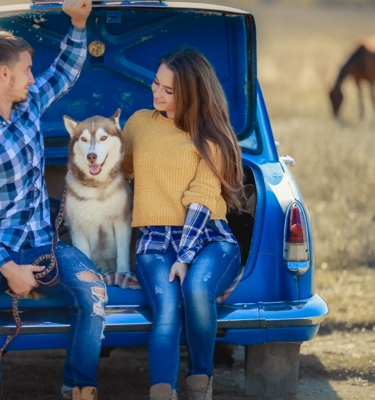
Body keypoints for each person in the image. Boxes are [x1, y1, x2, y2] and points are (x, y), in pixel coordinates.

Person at [0, 1, 106, 399]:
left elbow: (64, 72)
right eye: (26, 71)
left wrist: (79, 21)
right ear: (4, 74)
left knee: (95, 292)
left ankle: (79, 388)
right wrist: (9, 268)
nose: (33, 80)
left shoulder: (28, 104)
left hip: (39, 240)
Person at [121, 48, 245, 400]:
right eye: (156, 83)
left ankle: (200, 381)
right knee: (167, 307)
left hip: (209, 238)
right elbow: (121, 170)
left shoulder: (211, 138)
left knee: (196, 291)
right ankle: (162, 392)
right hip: (155, 242)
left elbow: (203, 198)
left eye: (168, 90)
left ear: (190, 94)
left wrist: (187, 256)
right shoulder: (139, 124)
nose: (156, 92)